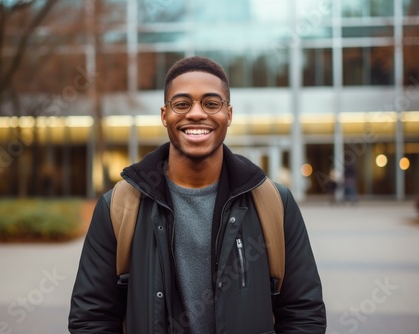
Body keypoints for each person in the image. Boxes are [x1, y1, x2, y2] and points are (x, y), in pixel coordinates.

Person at [69, 56, 326, 333]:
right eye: (181, 103)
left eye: (211, 103)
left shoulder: (273, 203)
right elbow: (91, 319)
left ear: (228, 114)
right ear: (164, 114)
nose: (196, 113)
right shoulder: (119, 206)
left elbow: (303, 314)